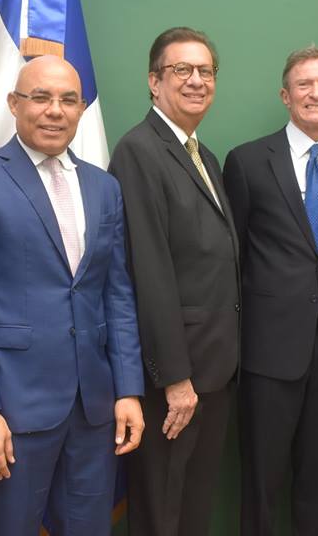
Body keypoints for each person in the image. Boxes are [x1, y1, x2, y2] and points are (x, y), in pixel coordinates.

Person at [0, 55, 144, 535]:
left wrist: (128, 390)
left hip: (94, 409)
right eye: (41, 97)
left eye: (68, 100)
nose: (55, 110)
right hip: (13, 410)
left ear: (81, 109)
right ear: (14, 104)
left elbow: (117, 295)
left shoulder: (104, 187)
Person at [223, 46, 318, 535]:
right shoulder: (248, 161)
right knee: (262, 481)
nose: (316, 93)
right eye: (304, 84)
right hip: (267, 351)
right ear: (285, 95)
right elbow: (233, 255)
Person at [108, 27, 240, 536]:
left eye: (206, 71)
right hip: (174, 381)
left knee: (192, 512)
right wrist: (175, 378)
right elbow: (149, 270)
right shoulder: (139, 151)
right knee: (162, 514)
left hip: (213, 371)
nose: (196, 80)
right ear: (153, 81)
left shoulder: (203, 156)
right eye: (181, 69)